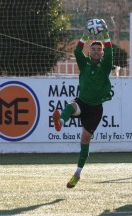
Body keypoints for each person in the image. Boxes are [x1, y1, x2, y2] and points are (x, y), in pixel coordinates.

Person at [52, 19, 113, 188]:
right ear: (89, 52)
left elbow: (110, 51)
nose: (95, 51)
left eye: (98, 50)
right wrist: (86, 34)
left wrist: (106, 34)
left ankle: (77, 173)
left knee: (85, 139)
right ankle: (60, 123)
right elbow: (77, 49)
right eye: (93, 49)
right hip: (83, 102)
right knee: (71, 106)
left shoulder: (106, 65)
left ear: (101, 53)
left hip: (95, 109)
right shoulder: (83, 62)